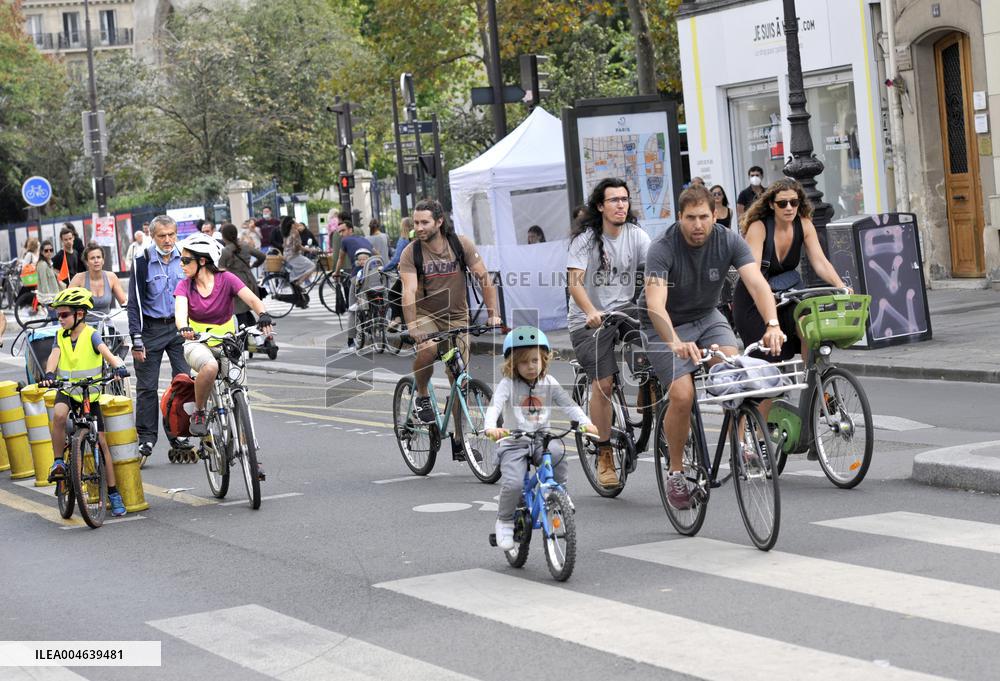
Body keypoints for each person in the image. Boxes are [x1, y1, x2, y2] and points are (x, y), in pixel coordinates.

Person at [641, 185, 784, 510]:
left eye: (704, 217)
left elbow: (757, 283)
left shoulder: (728, 240)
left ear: (715, 215)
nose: (698, 225)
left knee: (735, 377)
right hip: (664, 325)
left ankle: (740, 444)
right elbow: (655, 304)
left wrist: (773, 324)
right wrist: (674, 341)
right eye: (690, 218)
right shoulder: (662, 248)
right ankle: (676, 473)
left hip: (707, 317)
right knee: (682, 395)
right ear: (679, 217)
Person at [399, 199, 502, 461]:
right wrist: (412, 326)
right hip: (425, 315)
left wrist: (493, 314)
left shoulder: (460, 244)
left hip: (457, 317)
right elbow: (409, 291)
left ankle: (459, 441)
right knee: (428, 348)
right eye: (416, 222)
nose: (418, 227)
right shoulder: (411, 252)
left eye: (424, 222)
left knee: (460, 380)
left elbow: (483, 278)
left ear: (439, 221)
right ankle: (422, 395)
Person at [566, 178, 651, 487]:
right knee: (603, 382)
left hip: (624, 311)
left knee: (659, 348)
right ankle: (604, 453)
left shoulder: (637, 236)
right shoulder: (585, 241)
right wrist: (591, 311)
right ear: (601, 206)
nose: (621, 205)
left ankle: (646, 384)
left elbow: (655, 273)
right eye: (614, 200)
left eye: (624, 199)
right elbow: (575, 283)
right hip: (587, 320)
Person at [485, 327, 597, 551]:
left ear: (544, 359)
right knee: (514, 483)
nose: (531, 366)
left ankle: (560, 493)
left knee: (557, 454)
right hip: (514, 442)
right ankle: (505, 521)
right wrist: (490, 427)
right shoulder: (508, 384)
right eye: (524, 362)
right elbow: (495, 406)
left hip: (541, 440)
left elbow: (568, 405)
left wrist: (585, 422)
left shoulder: (549, 382)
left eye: (535, 360)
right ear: (513, 364)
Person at [174, 234, 272, 479]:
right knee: (209, 368)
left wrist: (263, 315)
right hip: (197, 342)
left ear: (203, 261)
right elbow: (180, 314)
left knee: (240, 396)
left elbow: (252, 299)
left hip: (228, 342)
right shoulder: (184, 286)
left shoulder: (226, 279)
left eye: (186, 260)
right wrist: (184, 328)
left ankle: (251, 454)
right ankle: (199, 411)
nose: (181, 264)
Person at [732, 177, 849, 365]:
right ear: (771, 205)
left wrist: (840, 286)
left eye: (794, 202)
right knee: (768, 360)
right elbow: (752, 274)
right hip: (754, 298)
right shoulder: (759, 227)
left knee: (809, 323)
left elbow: (820, 261)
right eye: (782, 203)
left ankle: (812, 376)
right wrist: (768, 298)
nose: (789, 208)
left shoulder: (804, 224)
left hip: (786, 294)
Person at [41, 287, 130, 518]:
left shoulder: (91, 334)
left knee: (101, 442)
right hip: (67, 390)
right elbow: (54, 356)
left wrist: (118, 367)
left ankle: (113, 493)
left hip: (90, 394)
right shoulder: (60, 336)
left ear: (79, 314)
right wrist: (49, 374)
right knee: (59, 416)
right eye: (58, 315)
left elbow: (105, 352)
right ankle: (59, 462)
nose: (60, 319)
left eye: (64, 315)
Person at [126, 215, 190, 463]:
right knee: (147, 388)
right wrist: (136, 338)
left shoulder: (185, 257)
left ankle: (178, 434)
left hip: (179, 328)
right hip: (151, 330)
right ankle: (146, 438)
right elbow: (134, 303)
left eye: (171, 234)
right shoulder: (141, 261)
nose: (167, 240)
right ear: (152, 236)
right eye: (162, 235)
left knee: (183, 382)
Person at [334, 220, 374, 349]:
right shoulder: (365, 240)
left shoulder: (345, 241)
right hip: (373, 275)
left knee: (352, 308)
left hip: (358, 276)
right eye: (339, 232)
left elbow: (340, 258)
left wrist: (336, 273)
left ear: (351, 230)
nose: (341, 234)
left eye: (343, 230)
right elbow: (377, 253)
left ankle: (350, 341)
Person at [219, 223, 266, 329]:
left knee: (240, 314)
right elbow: (262, 256)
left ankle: (247, 336)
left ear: (224, 236)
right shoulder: (245, 246)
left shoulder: (226, 251)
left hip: (236, 284)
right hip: (250, 281)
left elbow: (220, 270)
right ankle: (256, 335)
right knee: (245, 311)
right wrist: (254, 265)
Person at [70, 243, 128, 317]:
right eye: (92, 258)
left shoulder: (111, 277)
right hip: (85, 323)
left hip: (106, 322)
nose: (96, 261)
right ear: (87, 262)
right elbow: (66, 303)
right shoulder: (78, 278)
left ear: (103, 260)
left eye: (99, 257)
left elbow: (124, 302)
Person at [281, 216, 317, 288]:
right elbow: (297, 246)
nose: (296, 223)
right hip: (294, 256)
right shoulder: (295, 232)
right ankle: (298, 283)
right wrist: (310, 250)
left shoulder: (285, 232)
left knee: (299, 270)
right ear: (291, 224)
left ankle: (296, 286)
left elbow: (285, 245)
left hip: (286, 256)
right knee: (312, 266)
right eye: (294, 222)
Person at [35, 240, 64, 314]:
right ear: (42, 252)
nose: (49, 252)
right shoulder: (42, 264)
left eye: (51, 250)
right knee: (54, 318)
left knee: (54, 318)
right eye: (46, 250)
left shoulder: (49, 263)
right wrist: (49, 302)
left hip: (54, 297)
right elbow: (44, 283)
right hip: (49, 299)